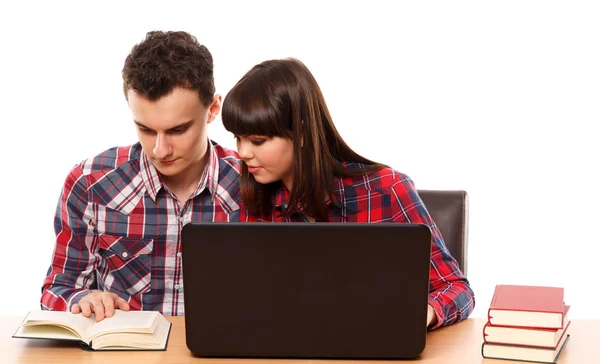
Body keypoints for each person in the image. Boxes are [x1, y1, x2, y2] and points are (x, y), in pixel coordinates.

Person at [221, 58, 475, 329]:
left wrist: (420, 314)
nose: (244, 152)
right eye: (238, 138)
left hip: (374, 358)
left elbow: (456, 289)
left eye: (258, 141)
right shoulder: (251, 197)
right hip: (286, 360)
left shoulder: (388, 189)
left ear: (303, 133)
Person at [41, 31, 241, 321]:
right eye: (146, 129)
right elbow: (58, 288)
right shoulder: (90, 183)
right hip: (122, 361)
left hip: (222, 362)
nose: (160, 150)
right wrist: (84, 299)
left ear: (212, 109)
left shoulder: (254, 183)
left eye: (177, 130)